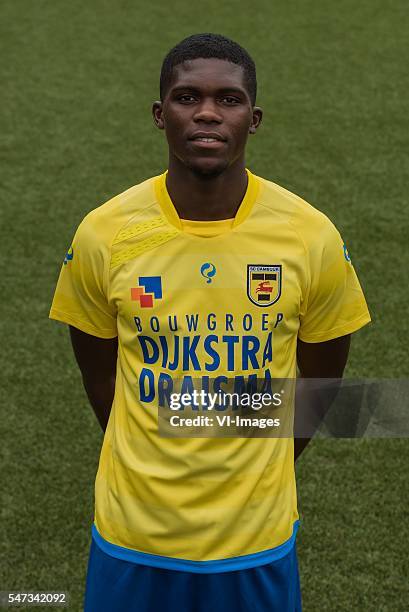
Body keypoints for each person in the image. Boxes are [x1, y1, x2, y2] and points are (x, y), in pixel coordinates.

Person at [49, 33, 371, 612]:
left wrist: (260, 462)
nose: (206, 113)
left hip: (256, 540)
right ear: (159, 114)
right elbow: (101, 380)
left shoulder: (310, 235)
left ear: (255, 119)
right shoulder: (104, 233)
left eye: (228, 100)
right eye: (187, 96)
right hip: (132, 536)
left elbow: (320, 386)